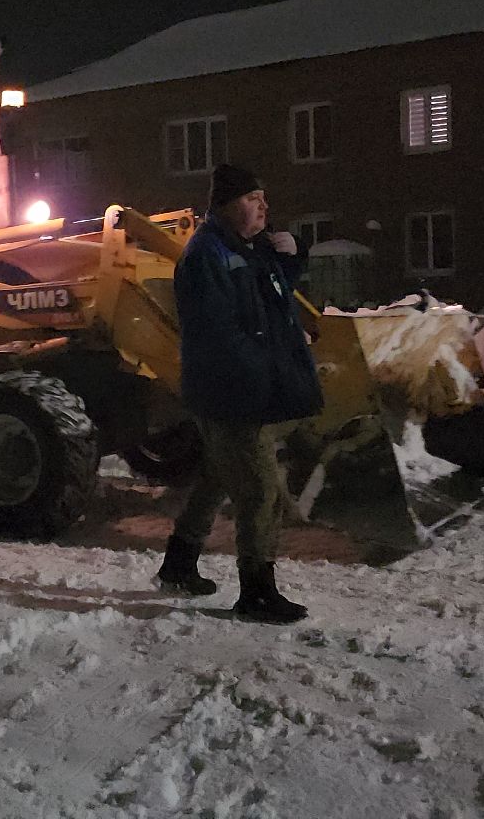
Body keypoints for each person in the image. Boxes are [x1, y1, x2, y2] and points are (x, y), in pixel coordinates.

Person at [155, 162, 322, 624]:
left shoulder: (248, 250)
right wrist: (258, 375)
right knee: (260, 491)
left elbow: (268, 299)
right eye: (253, 199)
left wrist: (290, 259)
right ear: (226, 205)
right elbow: (219, 333)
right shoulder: (206, 255)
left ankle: (178, 563)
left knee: (217, 475)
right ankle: (257, 591)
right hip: (232, 394)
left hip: (240, 390)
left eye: (264, 197)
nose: (264, 206)